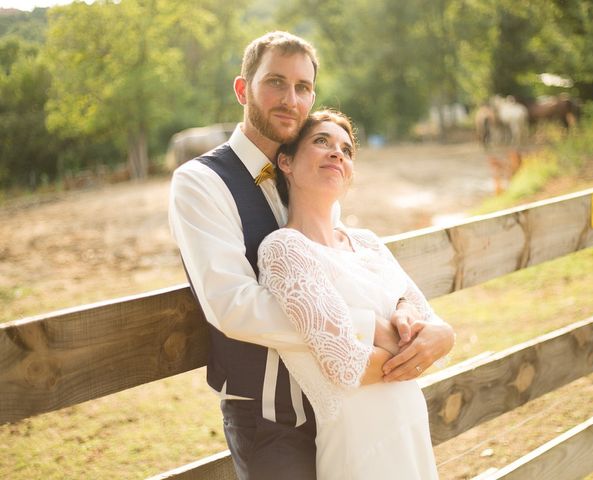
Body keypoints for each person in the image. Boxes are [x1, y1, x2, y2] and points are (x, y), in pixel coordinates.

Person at [168, 31, 454, 480]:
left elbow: (346, 268)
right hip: (270, 416)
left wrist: (423, 322)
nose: (290, 99)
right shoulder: (200, 182)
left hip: (352, 400)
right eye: (275, 83)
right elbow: (231, 304)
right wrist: (362, 330)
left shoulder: (309, 170)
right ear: (243, 89)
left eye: (302, 87)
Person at [257, 109, 446, 479]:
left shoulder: (368, 243)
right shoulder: (284, 249)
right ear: (287, 162)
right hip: (360, 447)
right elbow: (344, 365)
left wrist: (410, 314)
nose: (336, 153)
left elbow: (431, 321)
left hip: (410, 427)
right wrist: (409, 339)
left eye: (346, 149)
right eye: (321, 142)